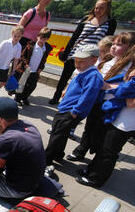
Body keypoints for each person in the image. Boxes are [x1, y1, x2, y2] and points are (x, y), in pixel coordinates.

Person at [67, 33, 135, 162]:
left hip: (109, 103)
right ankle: (80, 151)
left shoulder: (130, 67)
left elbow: (126, 88)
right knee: (89, 128)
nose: (114, 47)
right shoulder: (108, 59)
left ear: (130, 47)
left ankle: (95, 161)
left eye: (119, 44)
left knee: (100, 133)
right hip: (97, 100)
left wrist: (108, 86)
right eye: (113, 44)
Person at [44, 44, 103, 177]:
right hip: (65, 107)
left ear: (94, 60)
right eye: (76, 61)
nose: (77, 64)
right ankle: (59, 154)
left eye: (81, 61)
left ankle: (45, 158)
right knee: (61, 133)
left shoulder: (93, 76)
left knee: (57, 134)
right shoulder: (84, 71)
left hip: (71, 111)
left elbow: (88, 97)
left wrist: (75, 112)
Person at [76, 64, 135, 188]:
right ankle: (91, 171)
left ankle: (96, 179)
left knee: (109, 151)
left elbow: (131, 103)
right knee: (103, 147)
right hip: (116, 117)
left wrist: (117, 92)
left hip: (126, 123)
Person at [49, 0, 117, 105]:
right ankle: (56, 97)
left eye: (101, 8)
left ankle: (75, 101)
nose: (97, 10)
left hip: (92, 57)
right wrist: (66, 53)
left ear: (107, 9)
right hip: (76, 53)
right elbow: (75, 37)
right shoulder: (87, 19)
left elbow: (108, 41)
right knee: (64, 77)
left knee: (84, 79)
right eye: (96, 7)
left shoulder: (110, 22)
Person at [14, 27, 53, 105]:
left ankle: (25, 97)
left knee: (32, 86)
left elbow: (44, 60)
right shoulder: (31, 44)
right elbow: (23, 55)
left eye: (45, 39)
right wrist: (25, 64)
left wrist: (41, 68)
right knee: (22, 83)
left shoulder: (47, 48)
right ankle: (17, 98)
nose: (42, 41)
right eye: (41, 38)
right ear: (38, 36)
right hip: (26, 68)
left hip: (35, 70)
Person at [0, 25, 24, 103]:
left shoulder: (19, 46)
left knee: (4, 82)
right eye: (15, 36)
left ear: (21, 36)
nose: (16, 38)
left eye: (19, 36)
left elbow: (16, 59)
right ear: (12, 34)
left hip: (6, 67)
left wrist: (13, 70)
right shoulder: (5, 42)